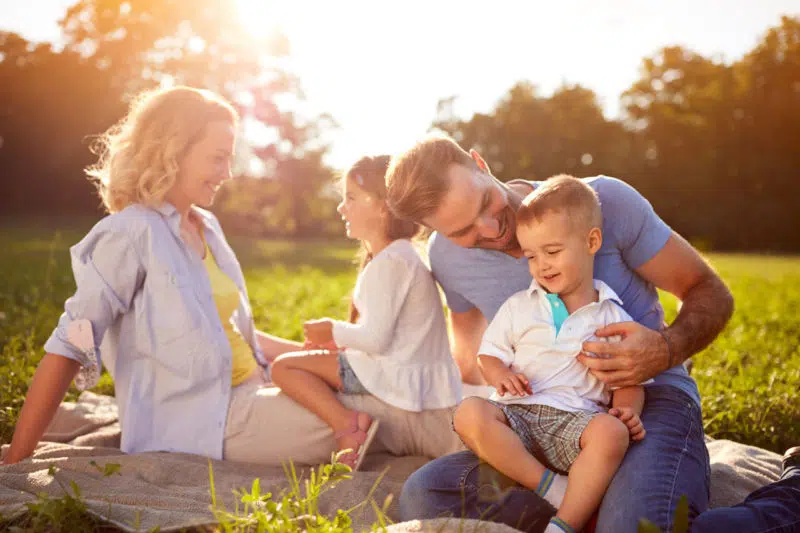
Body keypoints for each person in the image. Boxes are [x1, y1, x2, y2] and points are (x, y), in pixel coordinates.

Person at [0, 87, 461, 468]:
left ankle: (489, 424)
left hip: (252, 389)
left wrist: (313, 353)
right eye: (218, 158)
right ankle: (485, 436)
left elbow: (230, 335)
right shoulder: (129, 234)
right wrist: (19, 457)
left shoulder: (206, 227)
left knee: (377, 393)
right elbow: (70, 344)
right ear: (172, 152)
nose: (229, 173)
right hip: (208, 420)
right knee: (378, 412)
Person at [385, 134, 731, 532]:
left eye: (485, 203)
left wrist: (666, 348)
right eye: (463, 231)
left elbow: (709, 290)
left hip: (646, 402)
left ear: (481, 164)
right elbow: (470, 360)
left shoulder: (602, 203)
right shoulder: (447, 258)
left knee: (636, 527)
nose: (491, 228)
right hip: (538, 418)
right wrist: (493, 421)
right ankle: (580, 504)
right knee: (425, 496)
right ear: (435, 232)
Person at [453, 176, 647, 533]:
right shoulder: (518, 307)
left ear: (591, 242)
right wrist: (499, 376)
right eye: (531, 256)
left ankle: (564, 525)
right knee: (469, 412)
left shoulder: (611, 315)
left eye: (552, 252)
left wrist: (627, 410)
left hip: (574, 424)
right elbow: (488, 356)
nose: (541, 265)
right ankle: (553, 488)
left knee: (612, 434)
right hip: (517, 417)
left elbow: (630, 379)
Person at [270, 155, 462, 470]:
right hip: (400, 371)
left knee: (284, 369)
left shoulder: (391, 262)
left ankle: (348, 425)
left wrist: (330, 330)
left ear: (382, 205)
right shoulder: (398, 256)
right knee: (304, 363)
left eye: (351, 198)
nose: (341, 207)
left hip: (391, 375)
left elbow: (376, 339)